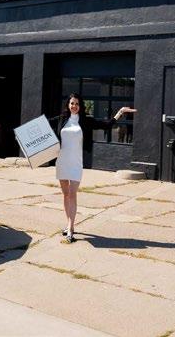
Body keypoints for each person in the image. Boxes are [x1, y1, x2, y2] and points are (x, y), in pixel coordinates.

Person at [52, 93, 136, 243]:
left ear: (80, 106)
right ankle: (68, 224)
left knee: (72, 194)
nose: (74, 106)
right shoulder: (61, 119)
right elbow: (43, 127)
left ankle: (70, 228)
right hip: (62, 161)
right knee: (65, 195)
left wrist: (120, 112)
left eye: (77, 103)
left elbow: (107, 125)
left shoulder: (86, 121)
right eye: (72, 103)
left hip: (76, 163)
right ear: (68, 105)